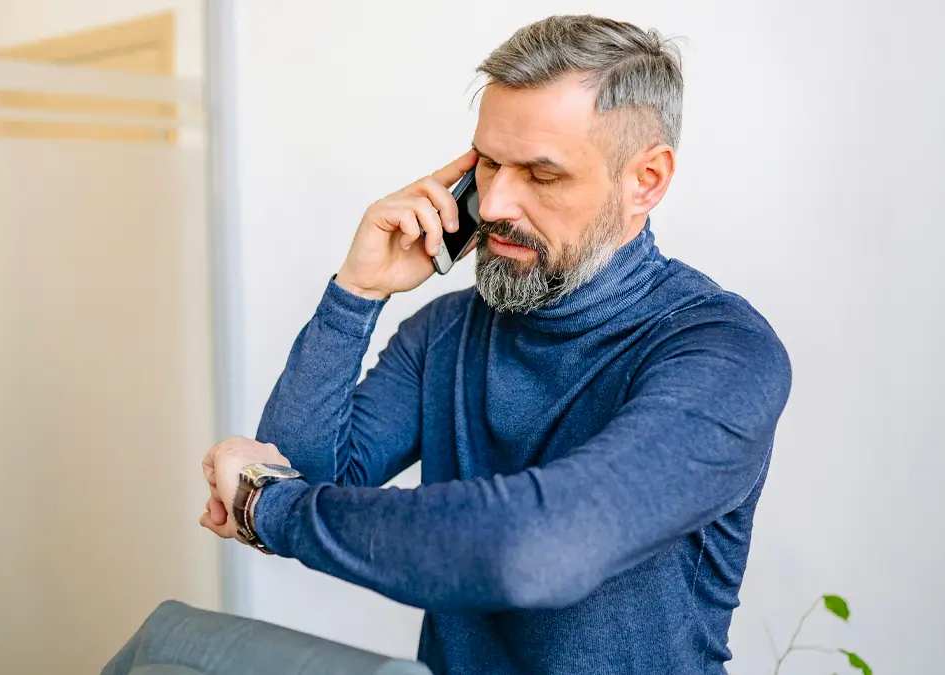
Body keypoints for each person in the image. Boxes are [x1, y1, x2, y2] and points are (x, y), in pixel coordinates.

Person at [199, 14, 792, 675]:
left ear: (645, 181)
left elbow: (535, 551)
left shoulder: (722, 352)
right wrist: (357, 292)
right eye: (487, 162)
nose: (498, 201)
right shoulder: (448, 328)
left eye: (541, 174)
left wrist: (268, 507)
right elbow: (298, 467)